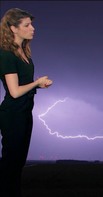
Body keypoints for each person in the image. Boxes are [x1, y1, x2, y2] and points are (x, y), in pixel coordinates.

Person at [0, 8, 53, 197]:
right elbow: (14, 92)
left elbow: (24, 86)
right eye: (27, 25)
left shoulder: (25, 53)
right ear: (13, 28)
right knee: (10, 164)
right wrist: (36, 83)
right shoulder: (6, 54)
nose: (33, 28)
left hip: (24, 113)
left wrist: (39, 85)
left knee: (18, 164)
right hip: (12, 114)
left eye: (31, 23)